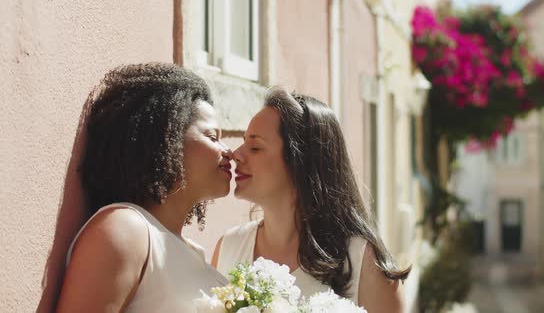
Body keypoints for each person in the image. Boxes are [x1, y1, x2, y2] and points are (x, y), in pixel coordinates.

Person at [212, 87, 410, 312]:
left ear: (301, 162)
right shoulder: (229, 247)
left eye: (255, 147)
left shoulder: (363, 263)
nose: (236, 154)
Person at [57, 63, 230, 312]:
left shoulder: (194, 252)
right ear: (166, 138)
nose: (229, 152)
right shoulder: (125, 230)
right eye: (213, 137)